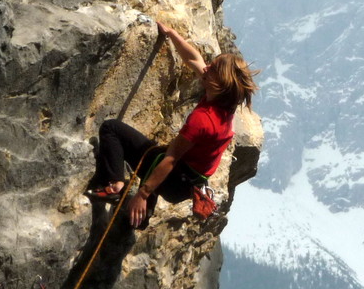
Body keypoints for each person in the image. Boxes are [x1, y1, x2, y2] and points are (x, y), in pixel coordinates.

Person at [85, 21, 258, 228]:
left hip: (175, 178)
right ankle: (140, 218)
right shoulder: (223, 105)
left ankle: (115, 187)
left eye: (213, 69)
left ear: (219, 82)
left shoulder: (203, 119)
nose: (207, 67)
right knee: (153, 155)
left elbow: (171, 159)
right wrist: (172, 34)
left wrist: (143, 193)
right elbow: (194, 59)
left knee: (112, 128)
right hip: (186, 184)